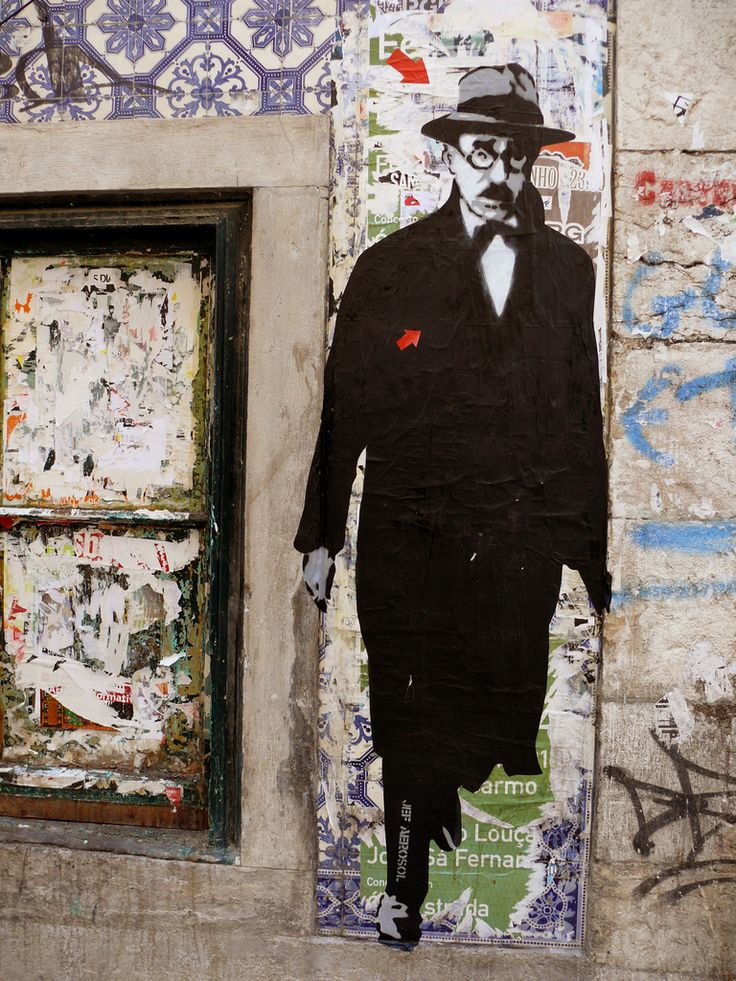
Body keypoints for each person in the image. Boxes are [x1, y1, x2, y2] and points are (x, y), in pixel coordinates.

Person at [295, 63, 610, 948]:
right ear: (450, 156)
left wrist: (592, 553)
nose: (499, 174)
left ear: (531, 161)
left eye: (515, 157)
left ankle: (455, 823)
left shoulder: (567, 270)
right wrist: (322, 536)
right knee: (409, 711)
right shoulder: (390, 267)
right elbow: (344, 406)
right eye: (482, 153)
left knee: (493, 709)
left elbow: (578, 416)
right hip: (408, 534)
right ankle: (404, 883)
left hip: (515, 538)